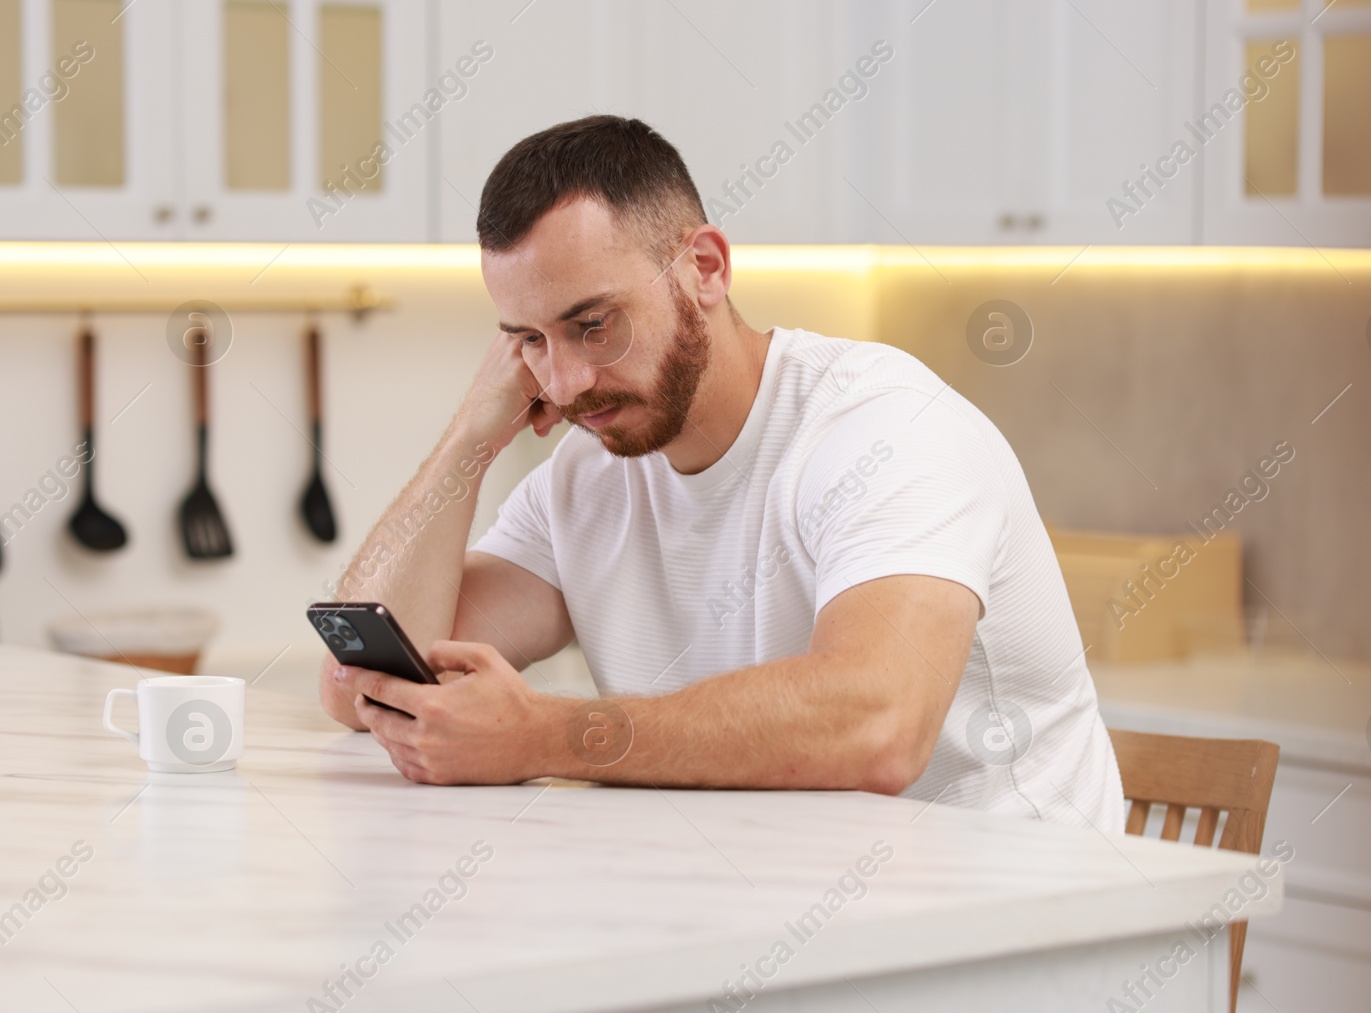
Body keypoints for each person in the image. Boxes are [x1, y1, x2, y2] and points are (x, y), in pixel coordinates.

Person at [319, 115, 1123, 830]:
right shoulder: (588, 473)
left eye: (592, 325)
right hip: (789, 920)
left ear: (704, 268)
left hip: (1024, 931)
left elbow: (880, 723)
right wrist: (471, 438)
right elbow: (361, 681)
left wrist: (544, 734)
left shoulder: (884, 428)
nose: (562, 385)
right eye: (528, 340)